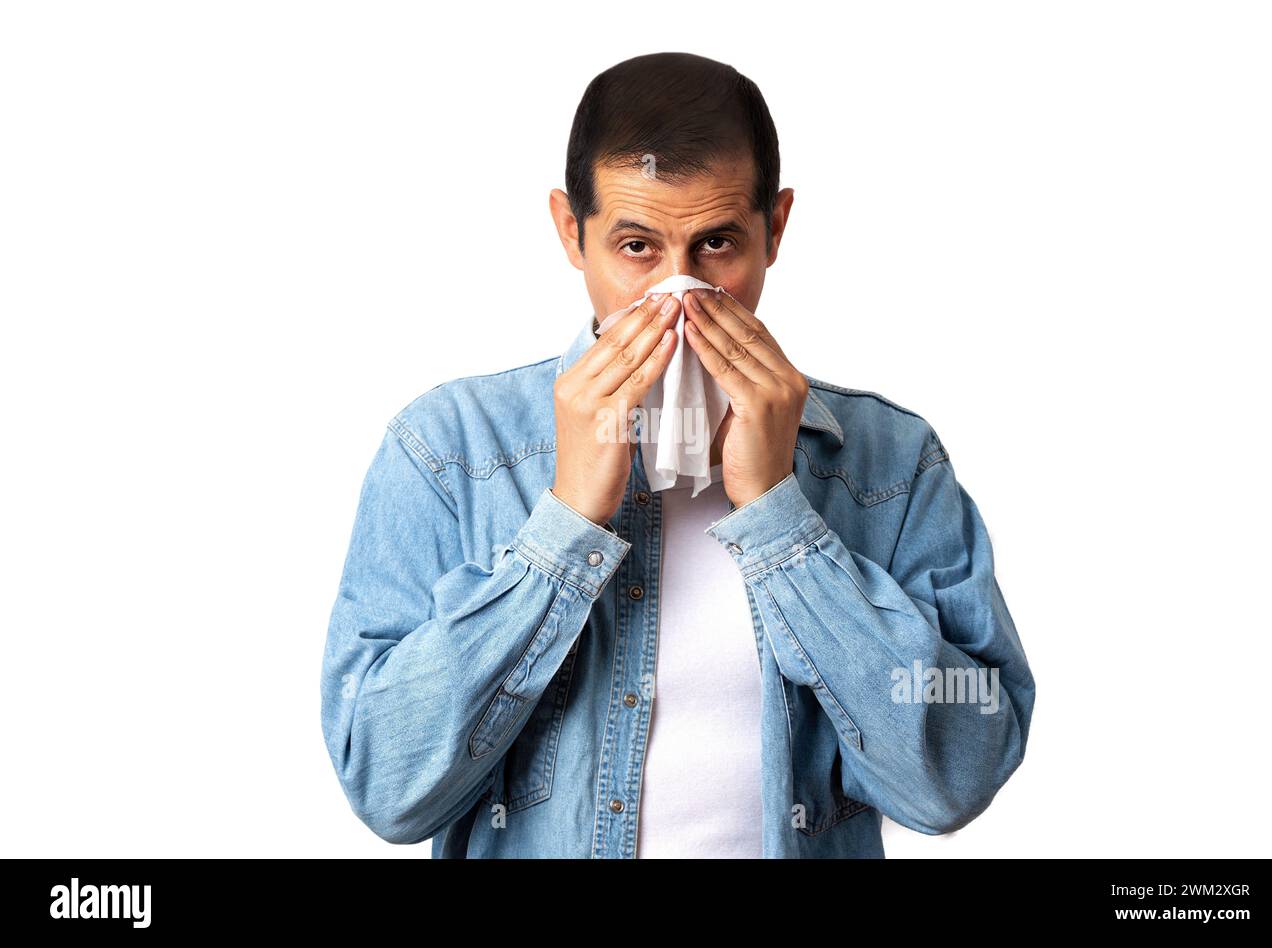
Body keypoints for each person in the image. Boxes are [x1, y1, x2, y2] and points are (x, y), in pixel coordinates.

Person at [319, 51, 1035, 858]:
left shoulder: (890, 463)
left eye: (718, 243)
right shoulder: (449, 451)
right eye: (636, 248)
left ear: (775, 229)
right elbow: (385, 784)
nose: (679, 293)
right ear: (570, 231)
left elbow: (960, 770)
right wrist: (561, 528)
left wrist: (778, 521)